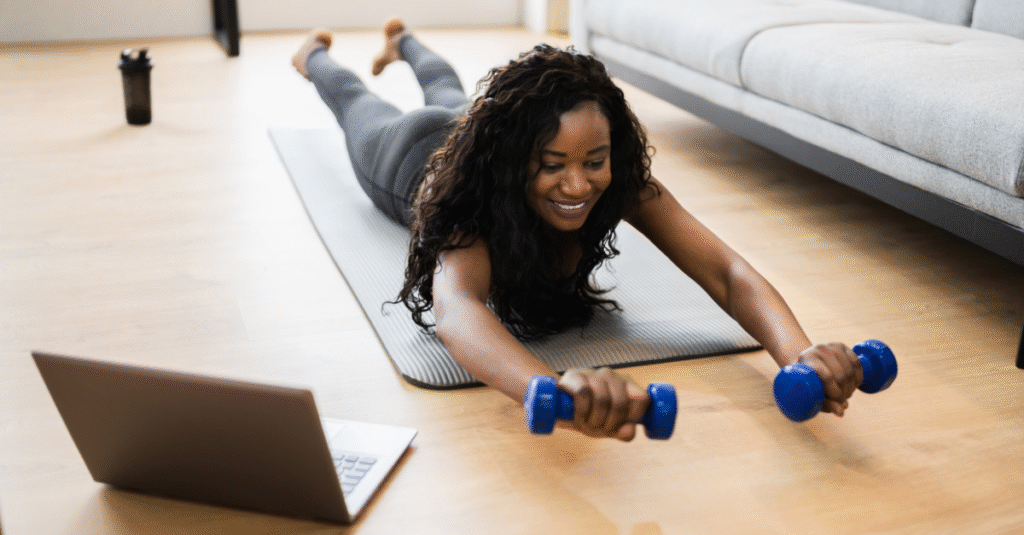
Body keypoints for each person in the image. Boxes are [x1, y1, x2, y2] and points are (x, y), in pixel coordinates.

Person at [291, 21, 864, 441]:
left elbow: (726, 270)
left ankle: (403, 40)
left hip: (466, 129)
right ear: (515, 159)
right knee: (354, 101)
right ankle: (311, 53)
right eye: (551, 165)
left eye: (593, 160)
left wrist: (800, 355)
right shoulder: (472, 204)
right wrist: (555, 392)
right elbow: (458, 309)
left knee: (446, 89)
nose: (577, 185)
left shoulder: (621, 184)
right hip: (409, 154)